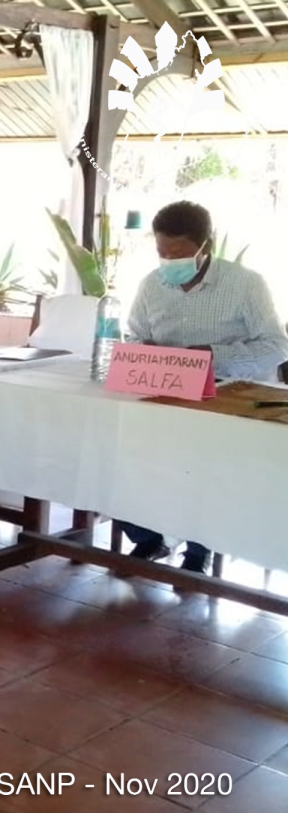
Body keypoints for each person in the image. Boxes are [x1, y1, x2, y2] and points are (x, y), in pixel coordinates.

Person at [121, 200, 288, 574]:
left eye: (178, 253)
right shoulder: (151, 285)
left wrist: (212, 356)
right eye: (162, 252)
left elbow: (276, 346)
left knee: (210, 469)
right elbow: (133, 335)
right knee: (127, 454)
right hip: (163, 394)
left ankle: (201, 547)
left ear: (204, 247)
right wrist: (144, 350)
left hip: (225, 397)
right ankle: (147, 536)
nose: (169, 261)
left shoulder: (245, 284)